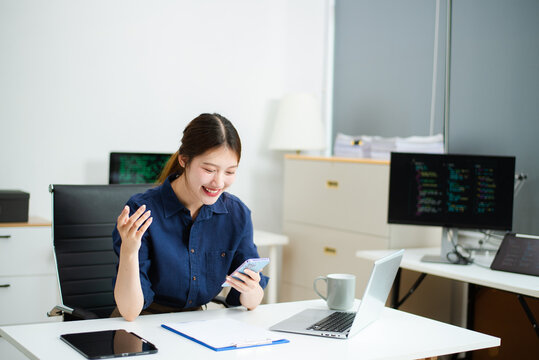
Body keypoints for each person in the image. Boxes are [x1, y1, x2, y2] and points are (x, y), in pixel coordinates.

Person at [112, 113, 268, 321]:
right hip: (144, 323)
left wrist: (251, 289)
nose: (219, 182)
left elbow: (251, 300)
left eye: (230, 172)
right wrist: (129, 252)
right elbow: (130, 313)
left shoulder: (237, 214)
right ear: (184, 160)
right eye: (209, 170)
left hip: (197, 324)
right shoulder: (142, 211)